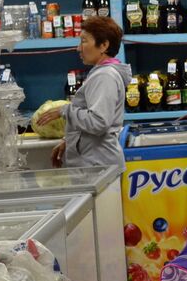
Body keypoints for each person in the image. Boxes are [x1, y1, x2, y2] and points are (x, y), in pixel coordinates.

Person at [35, 16, 129, 168]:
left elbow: (98, 122)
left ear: (104, 45)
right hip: (94, 161)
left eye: (84, 41)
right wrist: (69, 141)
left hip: (98, 165)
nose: (78, 48)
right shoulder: (101, 73)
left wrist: (65, 111)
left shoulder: (105, 76)